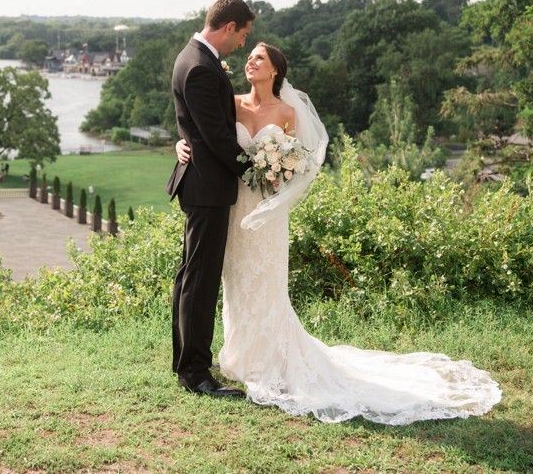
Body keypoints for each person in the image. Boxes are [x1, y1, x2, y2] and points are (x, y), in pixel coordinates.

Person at [175, 42, 502, 424]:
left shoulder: (286, 112)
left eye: (259, 58)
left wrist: (275, 170)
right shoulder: (231, 102)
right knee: (236, 281)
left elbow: (295, 163)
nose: (251, 61)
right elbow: (202, 126)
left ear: (275, 70)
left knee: (264, 282)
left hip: (267, 210)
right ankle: (238, 357)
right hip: (235, 207)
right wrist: (181, 143)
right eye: (250, 57)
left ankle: (268, 362)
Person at [166, 0, 256, 398]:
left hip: (201, 181)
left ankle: (187, 359)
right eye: (243, 35)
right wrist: (254, 170)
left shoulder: (192, 58)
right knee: (199, 278)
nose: (242, 45)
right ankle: (196, 374)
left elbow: (194, 126)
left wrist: (184, 141)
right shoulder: (201, 67)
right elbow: (216, 136)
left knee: (191, 274)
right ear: (228, 27)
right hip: (207, 186)